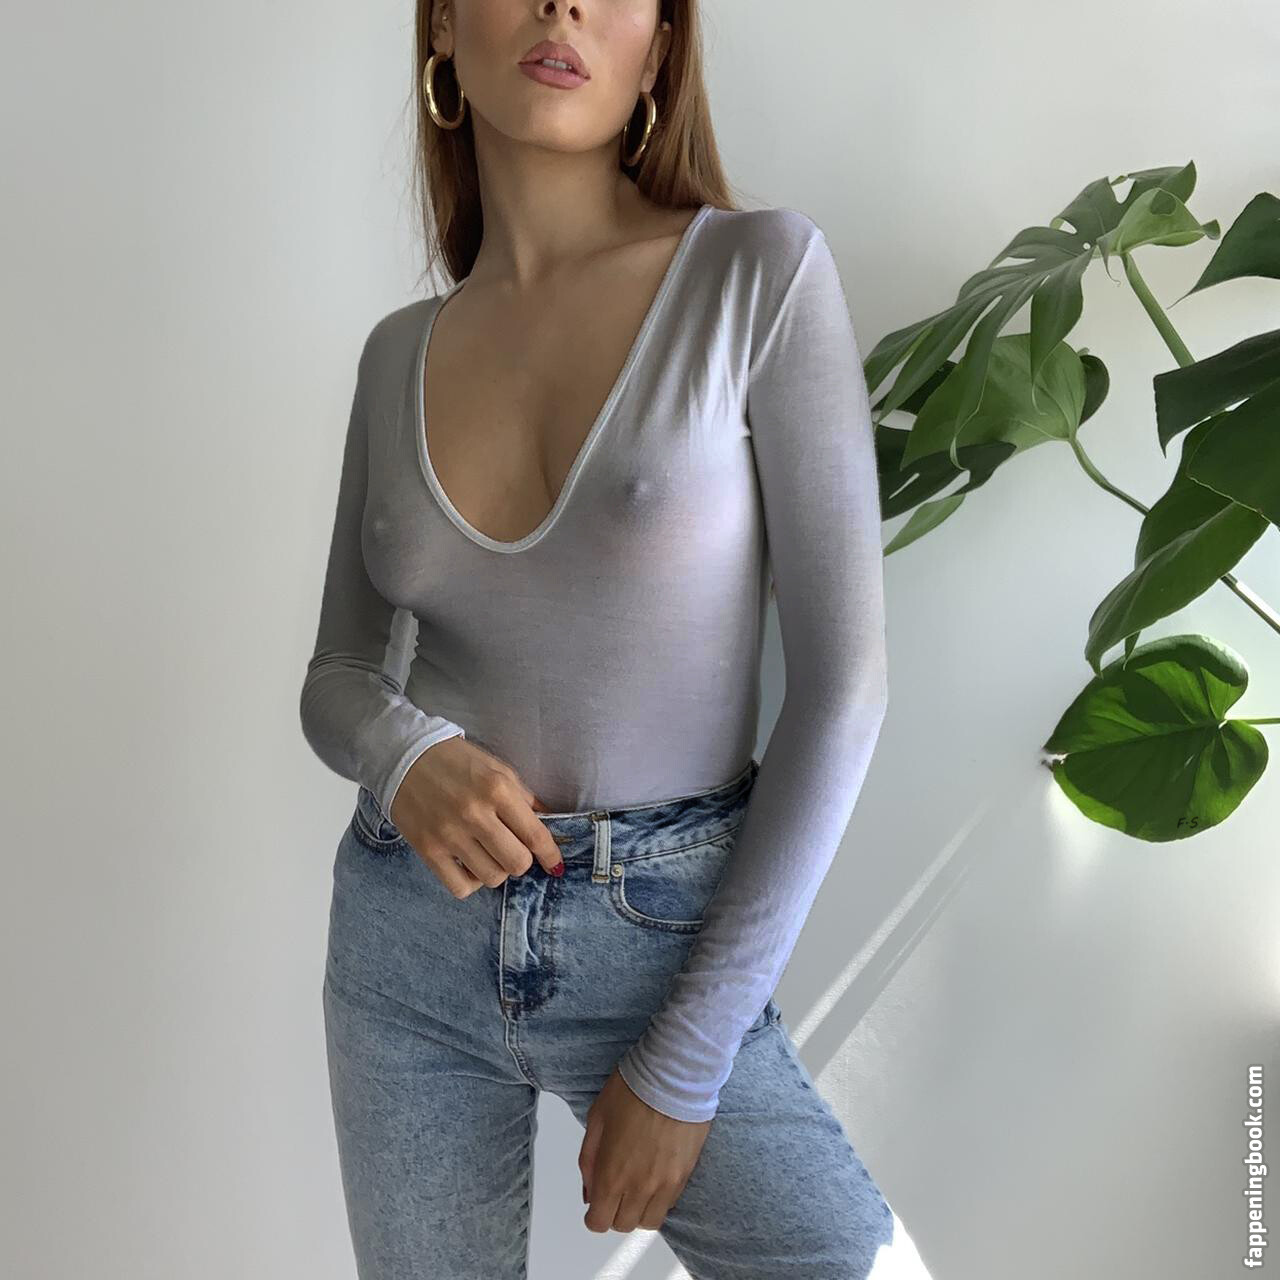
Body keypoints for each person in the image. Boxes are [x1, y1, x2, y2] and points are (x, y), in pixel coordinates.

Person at [301, 2, 909, 1277]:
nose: (563, 5)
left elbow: (842, 687)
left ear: (658, 52)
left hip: (668, 935)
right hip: (407, 941)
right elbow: (340, 676)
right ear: (442, 29)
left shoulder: (758, 275)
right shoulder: (397, 354)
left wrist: (686, 1060)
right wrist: (407, 756)